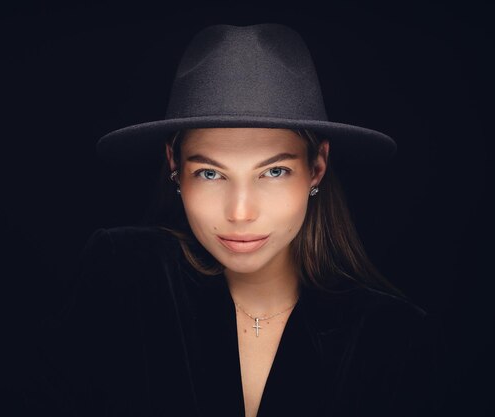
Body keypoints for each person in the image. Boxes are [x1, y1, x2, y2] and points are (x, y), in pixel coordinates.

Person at [32, 23, 444, 417]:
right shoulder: (124, 273)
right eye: (210, 173)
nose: (241, 212)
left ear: (316, 167)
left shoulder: (389, 336)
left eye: (273, 171)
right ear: (174, 165)